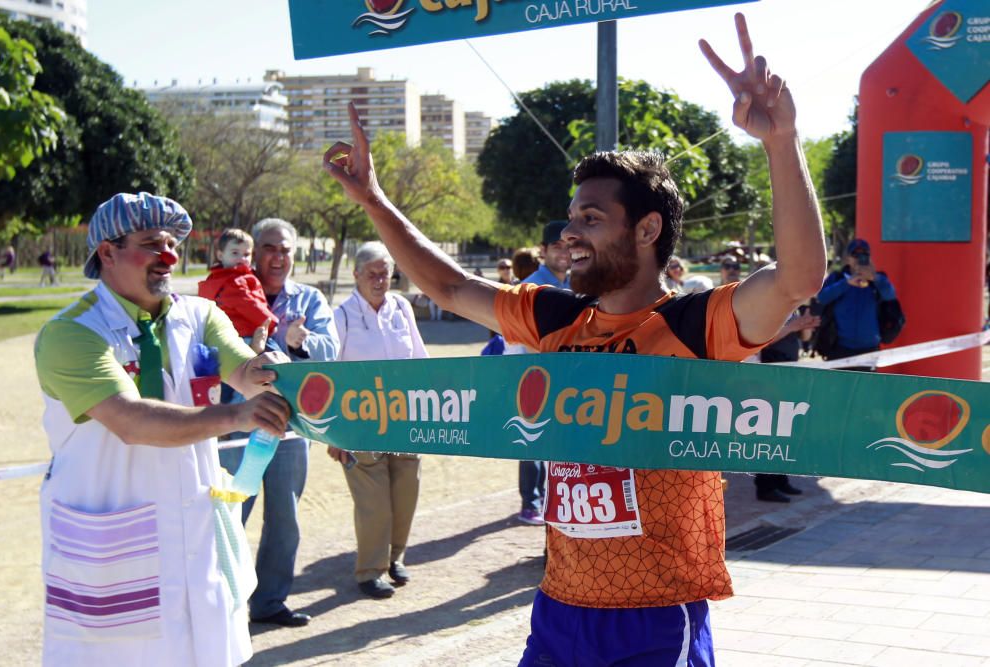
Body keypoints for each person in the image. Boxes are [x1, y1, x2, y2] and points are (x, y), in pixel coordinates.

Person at [322, 13, 825, 664]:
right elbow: (447, 289)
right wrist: (373, 200)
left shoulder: (694, 325)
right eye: (570, 217)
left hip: (654, 619)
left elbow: (797, 278)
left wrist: (781, 140)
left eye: (591, 217)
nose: (569, 233)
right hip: (559, 610)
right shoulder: (556, 317)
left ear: (646, 231)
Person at [34, 192, 291, 666]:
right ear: (107, 253)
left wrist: (277, 371)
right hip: (110, 546)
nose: (169, 257)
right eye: (152, 244)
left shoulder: (201, 316)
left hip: (197, 534)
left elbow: (246, 372)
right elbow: (131, 421)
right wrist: (235, 416)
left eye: (173, 243)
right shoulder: (72, 334)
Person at [218, 217, 340, 627]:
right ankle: (220, 602)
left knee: (284, 519)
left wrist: (299, 341)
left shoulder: (308, 300)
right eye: (269, 247)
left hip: (291, 429)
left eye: (286, 249)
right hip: (238, 423)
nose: (278, 257)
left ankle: (269, 602)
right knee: (231, 512)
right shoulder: (231, 295)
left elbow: (331, 353)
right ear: (255, 251)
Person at [327, 241, 427, 599]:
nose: (381, 280)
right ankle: (370, 571)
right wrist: (334, 432)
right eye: (373, 273)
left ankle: (395, 558)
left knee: (405, 494)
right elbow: (330, 376)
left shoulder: (401, 308)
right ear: (356, 276)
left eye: (386, 273)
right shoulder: (340, 317)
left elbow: (419, 359)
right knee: (374, 504)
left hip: (405, 420)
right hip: (360, 424)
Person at [510, 220, 571, 526]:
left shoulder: (577, 284)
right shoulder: (531, 288)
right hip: (536, 379)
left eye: (568, 245)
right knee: (533, 442)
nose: (563, 252)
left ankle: (549, 502)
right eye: (557, 246)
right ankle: (530, 503)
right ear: (543, 250)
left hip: (567, 384)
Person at [753, 309, 820, 502]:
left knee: (784, 429)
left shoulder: (794, 306)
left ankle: (780, 479)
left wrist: (805, 325)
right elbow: (761, 341)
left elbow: (803, 336)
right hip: (771, 370)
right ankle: (765, 486)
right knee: (768, 430)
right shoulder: (769, 306)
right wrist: (793, 326)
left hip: (789, 371)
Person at [816, 238, 897, 368]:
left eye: (864, 254)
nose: (860, 258)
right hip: (840, 348)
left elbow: (891, 295)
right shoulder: (838, 278)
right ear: (848, 258)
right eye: (855, 254)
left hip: (870, 349)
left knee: (866, 388)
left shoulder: (878, 280)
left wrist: (874, 277)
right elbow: (822, 297)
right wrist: (847, 283)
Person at [198, 228, 278, 354]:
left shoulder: (213, 280)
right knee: (279, 358)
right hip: (247, 335)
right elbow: (248, 305)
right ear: (220, 255)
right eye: (235, 253)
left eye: (246, 254)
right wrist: (271, 323)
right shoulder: (235, 281)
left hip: (225, 337)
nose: (241, 258)